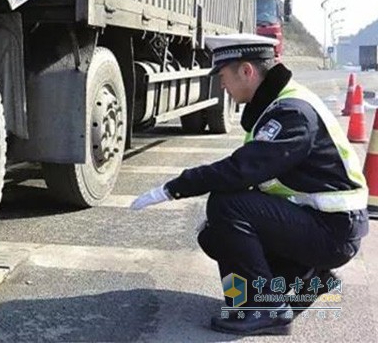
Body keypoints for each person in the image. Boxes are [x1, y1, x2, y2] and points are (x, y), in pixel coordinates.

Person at [130, 34, 369, 336]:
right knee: (214, 235)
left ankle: (265, 309)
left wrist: (175, 186)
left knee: (226, 205)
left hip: (332, 231)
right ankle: (304, 280)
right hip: (322, 224)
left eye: (223, 75)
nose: (221, 85)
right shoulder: (277, 105)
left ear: (246, 71)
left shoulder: (292, 113)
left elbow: (242, 170)